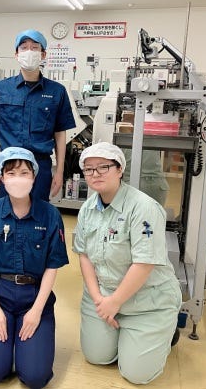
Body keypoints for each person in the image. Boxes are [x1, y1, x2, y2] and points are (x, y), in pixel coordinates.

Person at [73, 142, 182, 385]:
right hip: (103, 295)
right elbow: (84, 255)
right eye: (89, 169)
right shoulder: (88, 209)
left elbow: (144, 264)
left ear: (120, 169)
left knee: (137, 374)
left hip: (147, 300)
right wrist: (99, 300)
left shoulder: (143, 208)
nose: (95, 174)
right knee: (97, 357)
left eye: (103, 167)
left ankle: (164, 330)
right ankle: (125, 335)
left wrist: (115, 302)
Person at [0, 147, 69, 388]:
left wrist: (36, 311)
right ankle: (6, 349)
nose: (18, 179)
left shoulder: (50, 215)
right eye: (11, 173)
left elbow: (52, 265)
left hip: (34, 296)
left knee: (35, 378)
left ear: (34, 176)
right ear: (2, 178)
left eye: (24, 173)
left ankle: (24, 349)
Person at [0, 29, 76, 202]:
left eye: (35, 47)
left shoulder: (57, 91)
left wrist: (60, 171)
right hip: (9, 165)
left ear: (43, 54)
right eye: (24, 47)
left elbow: (60, 133)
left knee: (38, 211)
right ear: (16, 54)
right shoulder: (1, 88)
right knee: (7, 210)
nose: (29, 52)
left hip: (41, 165)